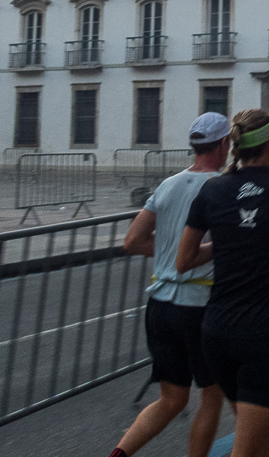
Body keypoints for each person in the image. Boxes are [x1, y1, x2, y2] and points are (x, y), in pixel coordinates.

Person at [176, 109, 269, 457]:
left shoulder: (213, 190)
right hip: (267, 334)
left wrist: (228, 241)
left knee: (264, 429)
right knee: (246, 446)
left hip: (216, 333)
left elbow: (183, 261)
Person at [109, 113, 231, 457]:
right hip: (197, 305)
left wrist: (168, 253)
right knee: (212, 393)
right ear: (224, 144)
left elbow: (132, 241)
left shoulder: (168, 184)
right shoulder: (221, 188)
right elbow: (222, 246)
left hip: (159, 306)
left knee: (172, 398)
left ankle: (118, 455)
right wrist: (207, 250)